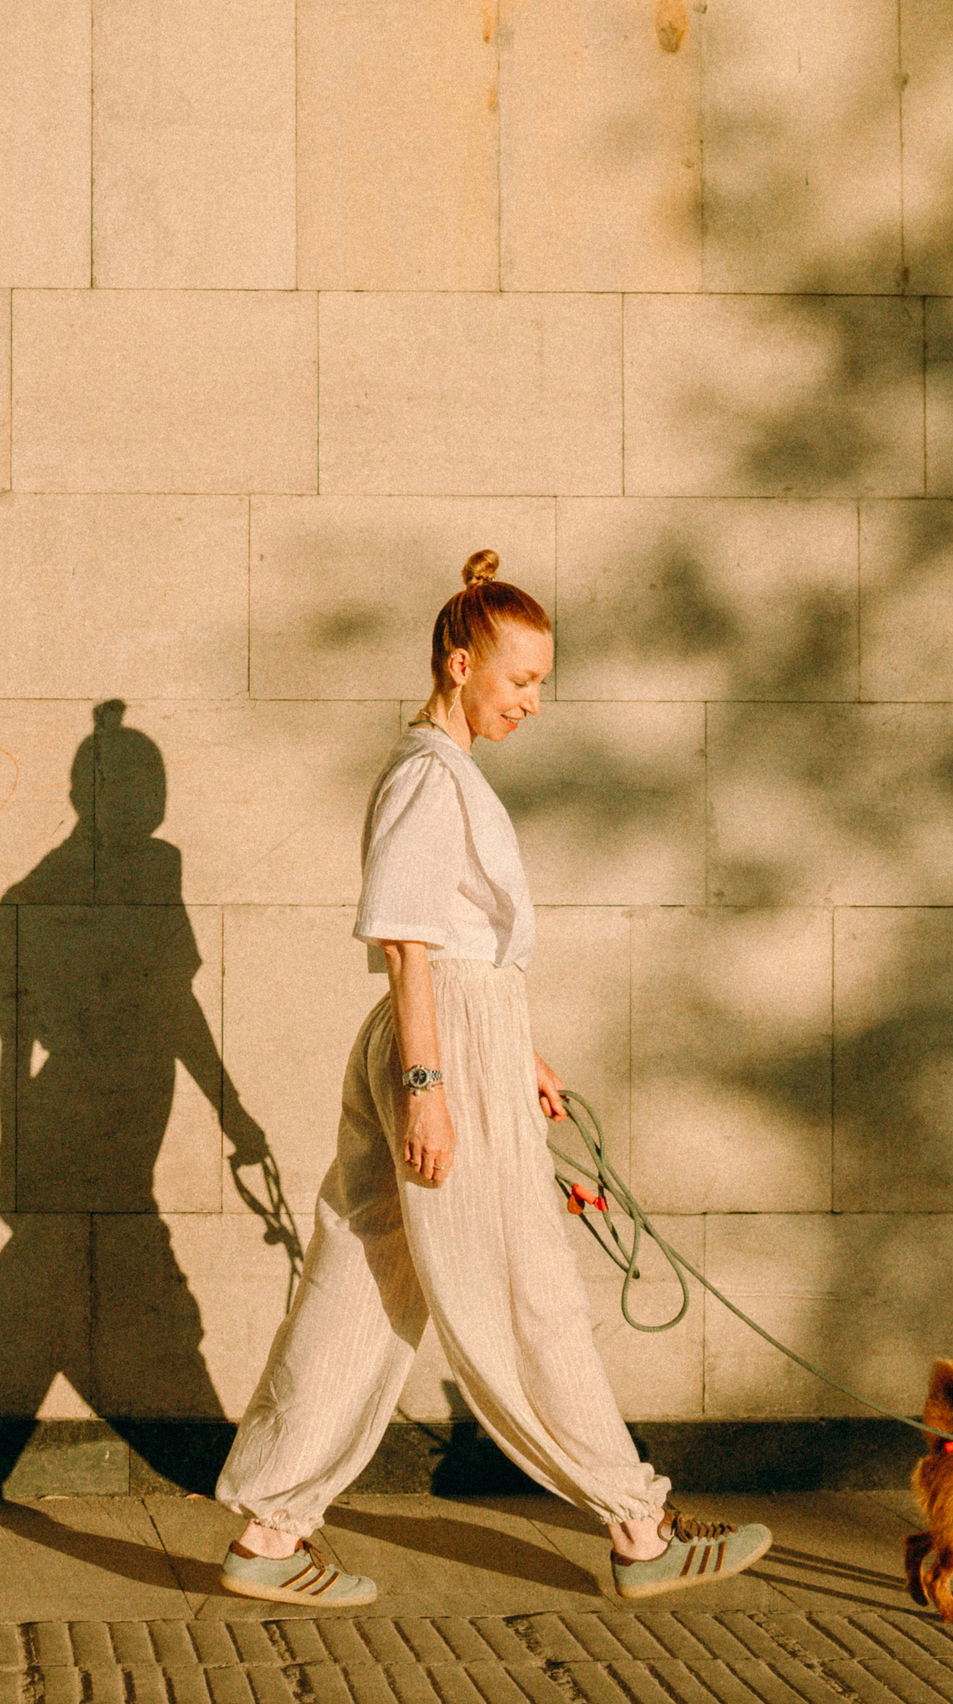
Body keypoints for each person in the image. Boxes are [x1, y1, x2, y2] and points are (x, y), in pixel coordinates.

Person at [209, 551, 773, 1607]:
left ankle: (270, 1529)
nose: (531, 702)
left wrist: (517, 1053)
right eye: (519, 681)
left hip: (454, 1039)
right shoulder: (430, 774)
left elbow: (455, 947)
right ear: (459, 662)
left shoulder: (436, 767)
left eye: (540, 684)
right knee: (528, 1290)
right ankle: (637, 1524)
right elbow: (410, 947)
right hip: (436, 1043)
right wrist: (434, 1081)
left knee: (365, 1281)